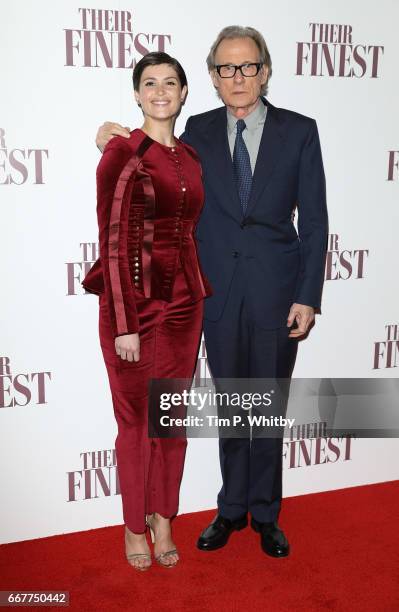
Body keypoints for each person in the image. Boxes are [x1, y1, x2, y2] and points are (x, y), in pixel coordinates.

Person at [96, 25, 328, 559]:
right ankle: (231, 509)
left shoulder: (300, 131)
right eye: (226, 69)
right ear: (213, 79)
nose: (238, 77)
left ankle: (266, 514)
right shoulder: (193, 130)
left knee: (265, 410)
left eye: (248, 66)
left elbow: (315, 221)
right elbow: (149, 154)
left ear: (265, 71)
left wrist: (307, 295)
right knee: (229, 407)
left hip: (277, 292)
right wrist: (113, 138)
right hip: (212, 295)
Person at [83, 51, 211, 570]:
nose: (161, 91)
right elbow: (112, 240)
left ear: (184, 94)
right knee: (135, 421)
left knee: (171, 418)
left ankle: (164, 518)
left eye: (171, 82)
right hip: (131, 308)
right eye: (150, 82)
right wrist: (126, 322)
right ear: (137, 94)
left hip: (185, 303)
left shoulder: (191, 157)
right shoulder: (121, 152)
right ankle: (134, 525)